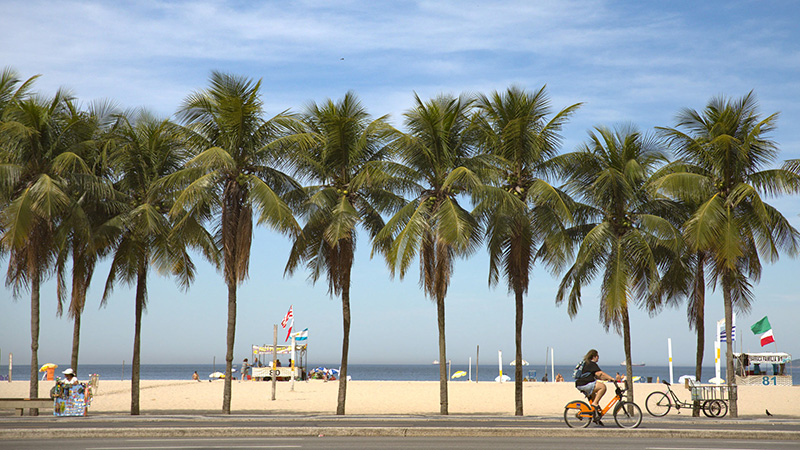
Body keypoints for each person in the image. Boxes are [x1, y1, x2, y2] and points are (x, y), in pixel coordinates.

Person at [575, 349, 620, 425]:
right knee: (603, 387)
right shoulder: (591, 364)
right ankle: (595, 404)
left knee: (595, 396)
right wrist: (612, 378)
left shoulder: (587, 363)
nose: (598, 358)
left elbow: (599, 376)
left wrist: (608, 379)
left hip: (582, 384)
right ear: (594, 356)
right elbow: (600, 373)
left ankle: (596, 416)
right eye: (598, 356)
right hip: (584, 384)